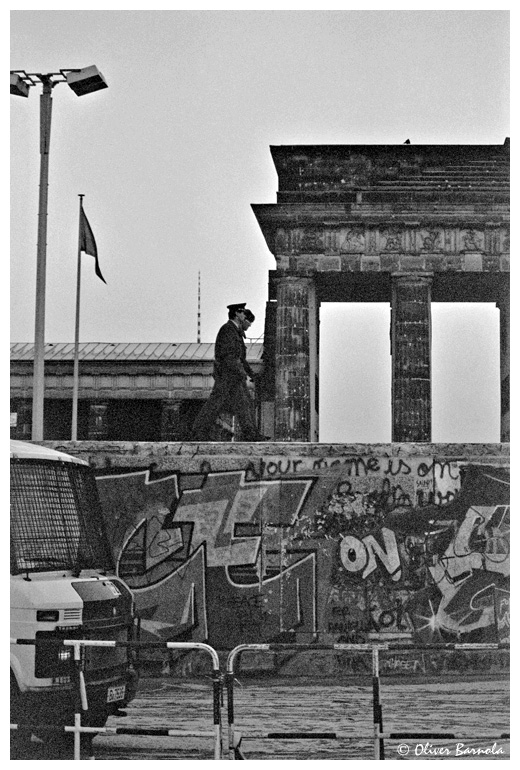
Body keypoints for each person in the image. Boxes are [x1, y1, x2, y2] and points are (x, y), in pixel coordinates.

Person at [191, 303, 268, 441]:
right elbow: (229, 356)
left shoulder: (235, 331)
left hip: (234, 376)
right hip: (227, 376)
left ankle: (251, 434)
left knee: (243, 404)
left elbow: (241, 358)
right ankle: (198, 431)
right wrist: (242, 373)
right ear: (237, 314)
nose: (245, 316)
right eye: (243, 313)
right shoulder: (228, 330)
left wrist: (251, 374)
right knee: (216, 404)